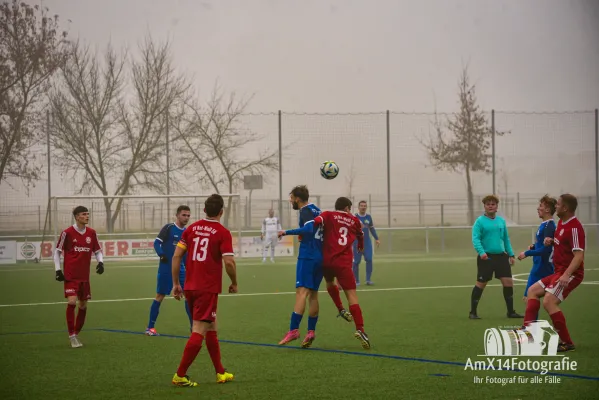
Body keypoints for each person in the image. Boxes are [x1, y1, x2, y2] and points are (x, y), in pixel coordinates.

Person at [280, 196, 371, 349]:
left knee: (329, 283)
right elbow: (360, 235)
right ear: (348, 208)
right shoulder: (354, 220)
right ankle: (360, 330)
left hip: (326, 261)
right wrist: (361, 246)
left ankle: (340, 309)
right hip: (343, 264)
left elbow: (314, 224)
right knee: (352, 296)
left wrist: (298, 232)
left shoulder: (328, 215)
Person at [170, 194, 237, 387]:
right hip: (206, 288)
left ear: (204, 210)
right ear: (222, 212)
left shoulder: (191, 229)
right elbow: (229, 262)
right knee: (199, 329)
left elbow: (176, 256)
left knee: (211, 326)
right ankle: (180, 375)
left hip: (190, 286)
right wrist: (234, 282)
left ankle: (220, 372)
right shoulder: (222, 232)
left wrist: (176, 283)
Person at [523, 194, 585, 352]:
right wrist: (551, 242)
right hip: (559, 271)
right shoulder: (561, 224)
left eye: (557, 204)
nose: (555, 206)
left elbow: (579, 256)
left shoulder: (575, 227)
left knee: (549, 302)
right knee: (532, 291)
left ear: (565, 208)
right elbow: (562, 247)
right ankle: (529, 334)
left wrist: (566, 275)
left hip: (571, 274)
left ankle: (567, 342)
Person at [278, 185, 323, 348]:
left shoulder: (305, 210)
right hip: (319, 256)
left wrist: (286, 232)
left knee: (301, 292)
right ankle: (311, 331)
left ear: (297, 198)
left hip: (308, 256)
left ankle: (294, 330)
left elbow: (309, 229)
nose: (290, 201)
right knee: (313, 295)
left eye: (291, 198)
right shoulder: (318, 210)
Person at [54, 206, 104, 348]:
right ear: (76, 217)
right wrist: (58, 270)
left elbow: (98, 251)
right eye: (84, 214)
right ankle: (72, 336)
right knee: (72, 302)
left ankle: (75, 333)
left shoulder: (91, 233)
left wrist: (101, 262)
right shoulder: (67, 233)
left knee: (83, 305)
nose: (87, 216)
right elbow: (57, 252)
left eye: (88, 214)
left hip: (84, 277)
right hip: (71, 276)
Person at [469, 195, 522, 319]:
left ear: (497, 206)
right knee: (481, 283)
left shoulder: (501, 221)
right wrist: (482, 252)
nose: (490, 206)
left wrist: (511, 254)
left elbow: (505, 239)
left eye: (493, 204)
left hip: (501, 257)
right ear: (485, 206)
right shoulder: (479, 221)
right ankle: (473, 312)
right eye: (488, 204)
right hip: (486, 257)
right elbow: (475, 239)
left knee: (508, 282)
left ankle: (511, 312)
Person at [145, 205, 192, 336]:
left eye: (188, 215)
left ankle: (193, 327)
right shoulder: (168, 228)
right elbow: (156, 243)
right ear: (177, 215)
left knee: (188, 295)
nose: (186, 217)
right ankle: (150, 328)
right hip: (166, 268)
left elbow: (186, 252)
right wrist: (161, 254)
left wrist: (188, 266)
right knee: (160, 295)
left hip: (181, 269)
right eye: (184, 215)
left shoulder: (187, 232)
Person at [517, 195, 557, 305]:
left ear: (548, 209)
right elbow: (542, 244)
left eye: (541, 206)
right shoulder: (545, 224)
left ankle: (531, 322)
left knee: (531, 297)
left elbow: (546, 250)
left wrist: (527, 253)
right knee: (530, 298)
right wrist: (534, 246)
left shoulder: (549, 226)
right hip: (538, 266)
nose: (538, 208)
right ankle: (531, 322)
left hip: (543, 268)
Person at [352, 201, 380, 286]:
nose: (363, 207)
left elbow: (371, 229)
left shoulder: (368, 217)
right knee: (356, 262)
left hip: (367, 243)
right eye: (361, 206)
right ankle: (357, 281)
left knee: (369, 259)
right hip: (357, 243)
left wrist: (377, 238)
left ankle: (368, 280)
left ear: (366, 207)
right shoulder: (354, 217)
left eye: (365, 206)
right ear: (358, 207)